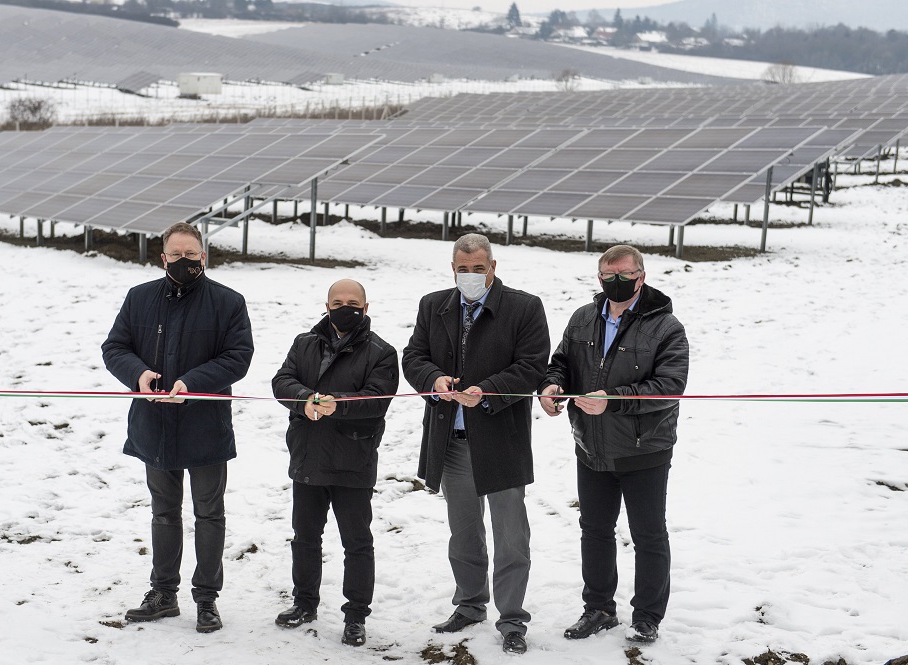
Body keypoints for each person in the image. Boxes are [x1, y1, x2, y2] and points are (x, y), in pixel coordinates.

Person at [101, 222, 254, 634]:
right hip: (154, 425)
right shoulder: (140, 298)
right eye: (176, 255)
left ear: (204, 257)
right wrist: (139, 375)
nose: (184, 262)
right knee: (164, 512)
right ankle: (163, 593)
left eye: (192, 255)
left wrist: (195, 382)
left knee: (209, 514)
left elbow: (239, 357)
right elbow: (114, 347)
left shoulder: (228, 302)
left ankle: (206, 598)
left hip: (205, 426)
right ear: (162, 257)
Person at [402, 233, 550, 655]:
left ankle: (512, 619)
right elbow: (413, 356)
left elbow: (532, 365)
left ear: (493, 267)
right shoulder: (434, 305)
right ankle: (469, 604)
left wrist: (487, 390)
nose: (470, 275)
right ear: (453, 268)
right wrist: (434, 380)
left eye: (478, 268)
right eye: (462, 269)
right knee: (463, 531)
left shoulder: (524, 307)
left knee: (510, 534)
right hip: (452, 438)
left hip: (501, 439)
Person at [538, 244, 688, 644]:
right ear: (599, 277)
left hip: (644, 448)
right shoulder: (583, 318)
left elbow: (669, 387)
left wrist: (613, 398)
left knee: (649, 534)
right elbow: (561, 362)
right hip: (591, 447)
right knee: (595, 530)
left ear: (641, 276)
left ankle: (648, 616)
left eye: (624, 276)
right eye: (608, 277)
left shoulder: (665, 327)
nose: (615, 283)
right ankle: (599, 608)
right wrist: (553, 385)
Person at [271, 279, 398, 647]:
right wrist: (305, 398)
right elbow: (282, 381)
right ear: (326, 306)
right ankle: (304, 602)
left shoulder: (382, 352)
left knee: (356, 542)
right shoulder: (304, 343)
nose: (346, 307)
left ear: (366, 307)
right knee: (306, 537)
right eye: (338, 301)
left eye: (353, 302)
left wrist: (333, 402)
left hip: (352, 461)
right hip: (308, 455)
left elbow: (377, 400)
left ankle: (356, 614)